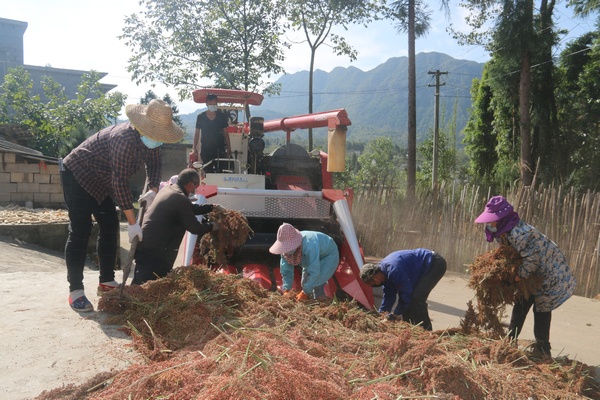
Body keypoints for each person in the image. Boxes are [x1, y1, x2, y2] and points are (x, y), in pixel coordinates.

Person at [60, 99, 184, 312]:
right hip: (78, 174)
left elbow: (155, 164)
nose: (158, 142)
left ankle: (106, 281)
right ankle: (76, 291)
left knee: (110, 227)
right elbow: (120, 184)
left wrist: (153, 190)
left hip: (103, 181)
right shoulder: (123, 140)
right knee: (81, 230)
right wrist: (133, 222)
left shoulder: (151, 140)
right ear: (142, 127)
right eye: (156, 136)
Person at [474, 195, 576, 357]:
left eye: (492, 221)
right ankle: (509, 340)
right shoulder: (508, 231)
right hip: (534, 274)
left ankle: (543, 349)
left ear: (502, 219)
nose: (490, 224)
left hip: (549, 273)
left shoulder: (518, 234)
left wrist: (516, 278)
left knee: (541, 308)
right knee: (521, 302)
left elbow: (532, 260)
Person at [131, 168, 218, 285]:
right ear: (190, 185)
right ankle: (123, 302)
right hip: (155, 252)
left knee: (145, 285)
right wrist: (213, 226)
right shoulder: (180, 199)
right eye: (196, 186)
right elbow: (195, 228)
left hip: (147, 246)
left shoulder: (169, 190)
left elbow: (190, 209)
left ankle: (126, 300)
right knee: (144, 288)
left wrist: (212, 207)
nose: (196, 189)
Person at [360, 249, 447, 331]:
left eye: (375, 278)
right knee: (408, 303)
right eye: (373, 282)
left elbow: (406, 293)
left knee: (416, 299)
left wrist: (395, 314)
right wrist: (381, 314)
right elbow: (389, 295)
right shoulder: (384, 276)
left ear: (377, 271)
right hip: (420, 270)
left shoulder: (393, 270)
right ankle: (411, 329)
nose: (377, 281)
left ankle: (427, 332)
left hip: (434, 263)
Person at [269, 223, 339, 302]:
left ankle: (320, 302)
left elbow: (314, 271)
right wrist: (287, 289)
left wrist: (305, 292)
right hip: (313, 256)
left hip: (327, 255)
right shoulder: (285, 251)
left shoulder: (310, 244)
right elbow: (286, 270)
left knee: (317, 284)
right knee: (305, 282)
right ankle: (309, 299)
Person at [191, 94, 231, 172]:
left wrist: (229, 147)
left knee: (220, 172)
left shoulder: (221, 116)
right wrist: (194, 148)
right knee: (207, 172)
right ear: (206, 103)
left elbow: (226, 133)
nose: (213, 106)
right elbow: (197, 134)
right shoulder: (201, 117)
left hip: (220, 149)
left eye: (214, 104)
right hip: (206, 150)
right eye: (211, 104)